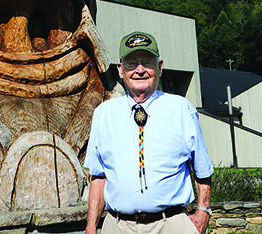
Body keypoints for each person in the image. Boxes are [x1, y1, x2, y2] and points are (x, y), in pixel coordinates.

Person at [84, 31, 214, 234]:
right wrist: (91, 227)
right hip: (117, 226)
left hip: (171, 224)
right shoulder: (103, 114)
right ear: (120, 70)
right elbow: (98, 177)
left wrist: (203, 211)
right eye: (131, 63)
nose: (140, 70)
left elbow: (202, 169)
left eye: (147, 62)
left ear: (160, 67)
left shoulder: (181, 109)